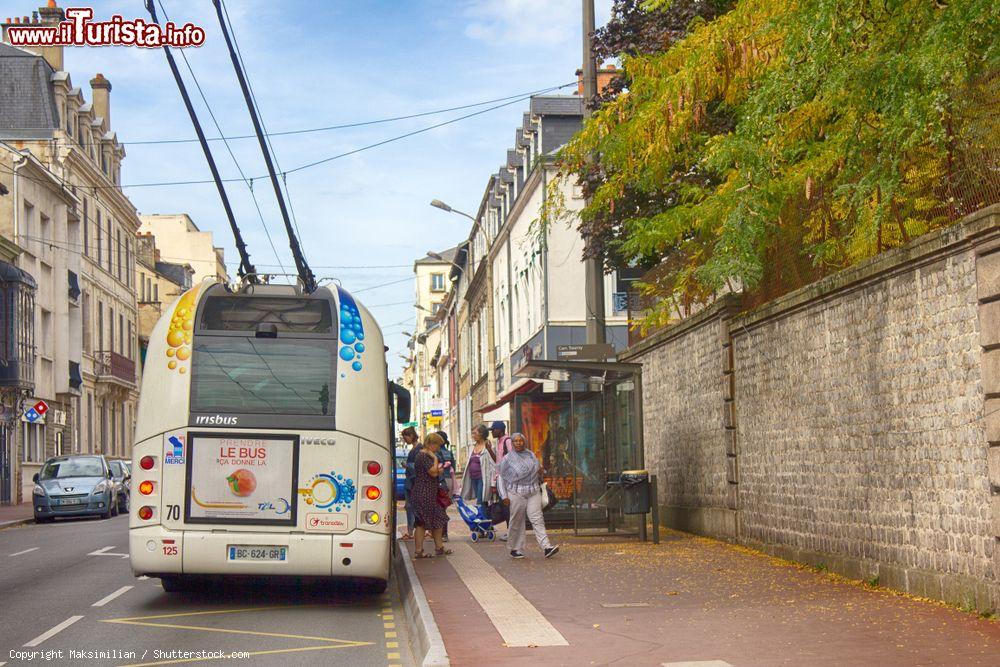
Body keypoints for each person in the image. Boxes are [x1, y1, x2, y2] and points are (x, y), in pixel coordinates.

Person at [497, 432, 559, 559]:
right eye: (515, 441)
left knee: (537, 518)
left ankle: (547, 547)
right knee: (517, 521)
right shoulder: (507, 459)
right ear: (512, 443)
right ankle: (515, 548)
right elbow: (501, 478)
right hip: (516, 493)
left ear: (524, 442)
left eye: (520, 441)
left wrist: (541, 471)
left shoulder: (531, 455)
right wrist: (504, 496)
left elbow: (539, 470)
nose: (518, 443)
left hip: (533, 491)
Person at [410, 432, 452, 558]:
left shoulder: (425, 455)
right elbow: (434, 473)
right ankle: (418, 551)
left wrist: (437, 468)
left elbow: (436, 471)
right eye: (437, 445)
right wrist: (435, 460)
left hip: (430, 493)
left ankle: (439, 548)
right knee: (421, 522)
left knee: (438, 518)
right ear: (431, 444)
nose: (438, 448)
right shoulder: (424, 456)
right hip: (424, 493)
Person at [460, 425, 496, 507]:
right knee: (481, 499)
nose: (473, 436)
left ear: (482, 434)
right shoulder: (472, 446)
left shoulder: (489, 446)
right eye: (472, 433)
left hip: (483, 478)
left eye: (475, 433)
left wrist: (493, 483)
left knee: (481, 499)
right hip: (473, 478)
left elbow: (494, 464)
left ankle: (482, 517)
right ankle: (485, 516)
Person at [489, 421, 512, 539]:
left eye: (493, 430)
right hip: (499, 478)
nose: (492, 432)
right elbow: (497, 461)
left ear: (500, 430)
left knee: (507, 505)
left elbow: (513, 458)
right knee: (504, 505)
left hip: (506, 479)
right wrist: (489, 449)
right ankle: (510, 531)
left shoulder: (507, 441)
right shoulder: (498, 442)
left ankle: (511, 532)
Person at [400, 426, 421, 540]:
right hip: (411, 481)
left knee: (411, 507)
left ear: (411, 436)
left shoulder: (418, 449)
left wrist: (406, 465)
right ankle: (412, 530)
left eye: (405, 438)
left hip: (413, 482)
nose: (405, 440)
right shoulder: (415, 448)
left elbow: (418, 466)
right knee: (410, 506)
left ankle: (412, 531)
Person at [435, 430, 456, 541]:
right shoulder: (449, 452)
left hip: (439, 481)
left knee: (439, 508)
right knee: (443, 507)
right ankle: (444, 534)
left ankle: (442, 534)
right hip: (449, 480)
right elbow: (454, 468)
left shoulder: (435, 453)